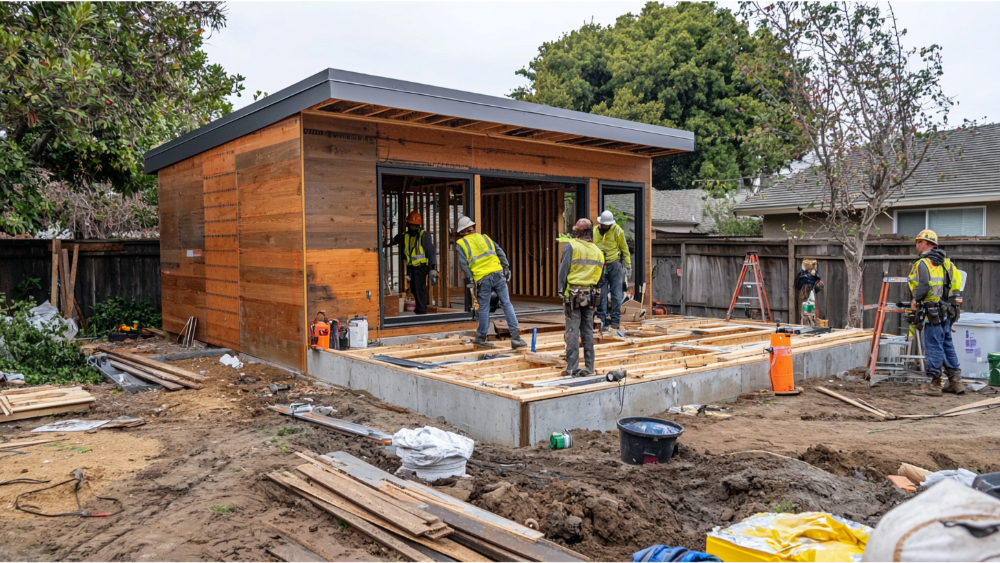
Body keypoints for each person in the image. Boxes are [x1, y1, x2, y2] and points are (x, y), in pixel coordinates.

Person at [455, 216, 526, 349]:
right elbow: (500, 252)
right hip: (498, 273)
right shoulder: (485, 238)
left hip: (482, 278)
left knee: (484, 308)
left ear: (462, 231)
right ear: (472, 228)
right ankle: (516, 339)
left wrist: (470, 281)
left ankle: (481, 337)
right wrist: (506, 267)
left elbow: (464, 265)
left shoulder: (461, 243)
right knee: (507, 304)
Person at [908, 229, 964, 396]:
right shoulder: (948, 263)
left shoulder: (924, 263)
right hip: (947, 310)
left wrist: (915, 300)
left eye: (919, 242)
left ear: (926, 244)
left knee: (933, 346)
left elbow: (923, 286)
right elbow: (957, 286)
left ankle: (934, 385)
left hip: (931, 311)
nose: (917, 245)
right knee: (947, 344)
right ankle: (956, 382)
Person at [559, 218, 605, 376]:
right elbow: (600, 277)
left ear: (578, 232)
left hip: (575, 293)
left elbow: (563, 270)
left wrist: (561, 289)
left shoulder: (571, 247)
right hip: (591, 294)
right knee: (587, 330)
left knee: (572, 330)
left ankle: (572, 367)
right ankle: (590, 367)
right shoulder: (598, 252)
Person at [386, 211, 437, 315]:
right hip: (412, 267)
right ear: (408, 224)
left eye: (415, 225)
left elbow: (430, 250)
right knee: (414, 289)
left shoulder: (424, 235)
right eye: (411, 224)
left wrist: (432, 268)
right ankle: (420, 310)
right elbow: (394, 240)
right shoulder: (405, 236)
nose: (413, 227)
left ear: (418, 225)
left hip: (421, 267)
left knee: (418, 289)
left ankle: (421, 311)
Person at [593, 210, 631, 330]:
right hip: (600, 265)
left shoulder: (617, 231)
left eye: (608, 225)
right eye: (605, 224)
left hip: (614, 264)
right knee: (601, 294)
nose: (606, 226)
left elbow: (624, 248)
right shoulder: (594, 231)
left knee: (616, 294)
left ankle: (615, 321)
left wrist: (628, 265)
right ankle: (601, 319)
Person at [795, 259, 824, 326]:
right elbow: (798, 285)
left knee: (812, 310)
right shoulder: (802, 276)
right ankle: (805, 324)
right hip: (805, 293)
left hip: (811, 293)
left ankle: (812, 324)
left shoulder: (814, 276)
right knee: (805, 311)